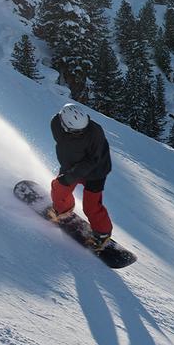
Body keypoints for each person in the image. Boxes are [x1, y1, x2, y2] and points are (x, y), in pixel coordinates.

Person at [49, 103, 113, 249]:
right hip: (70, 166)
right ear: (64, 125)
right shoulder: (55, 123)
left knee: (91, 206)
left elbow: (92, 160)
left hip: (96, 171)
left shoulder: (95, 132)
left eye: (82, 129)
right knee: (58, 190)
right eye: (76, 131)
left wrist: (71, 176)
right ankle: (64, 211)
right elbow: (64, 145)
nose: (81, 133)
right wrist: (67, 169)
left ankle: (102, 234)